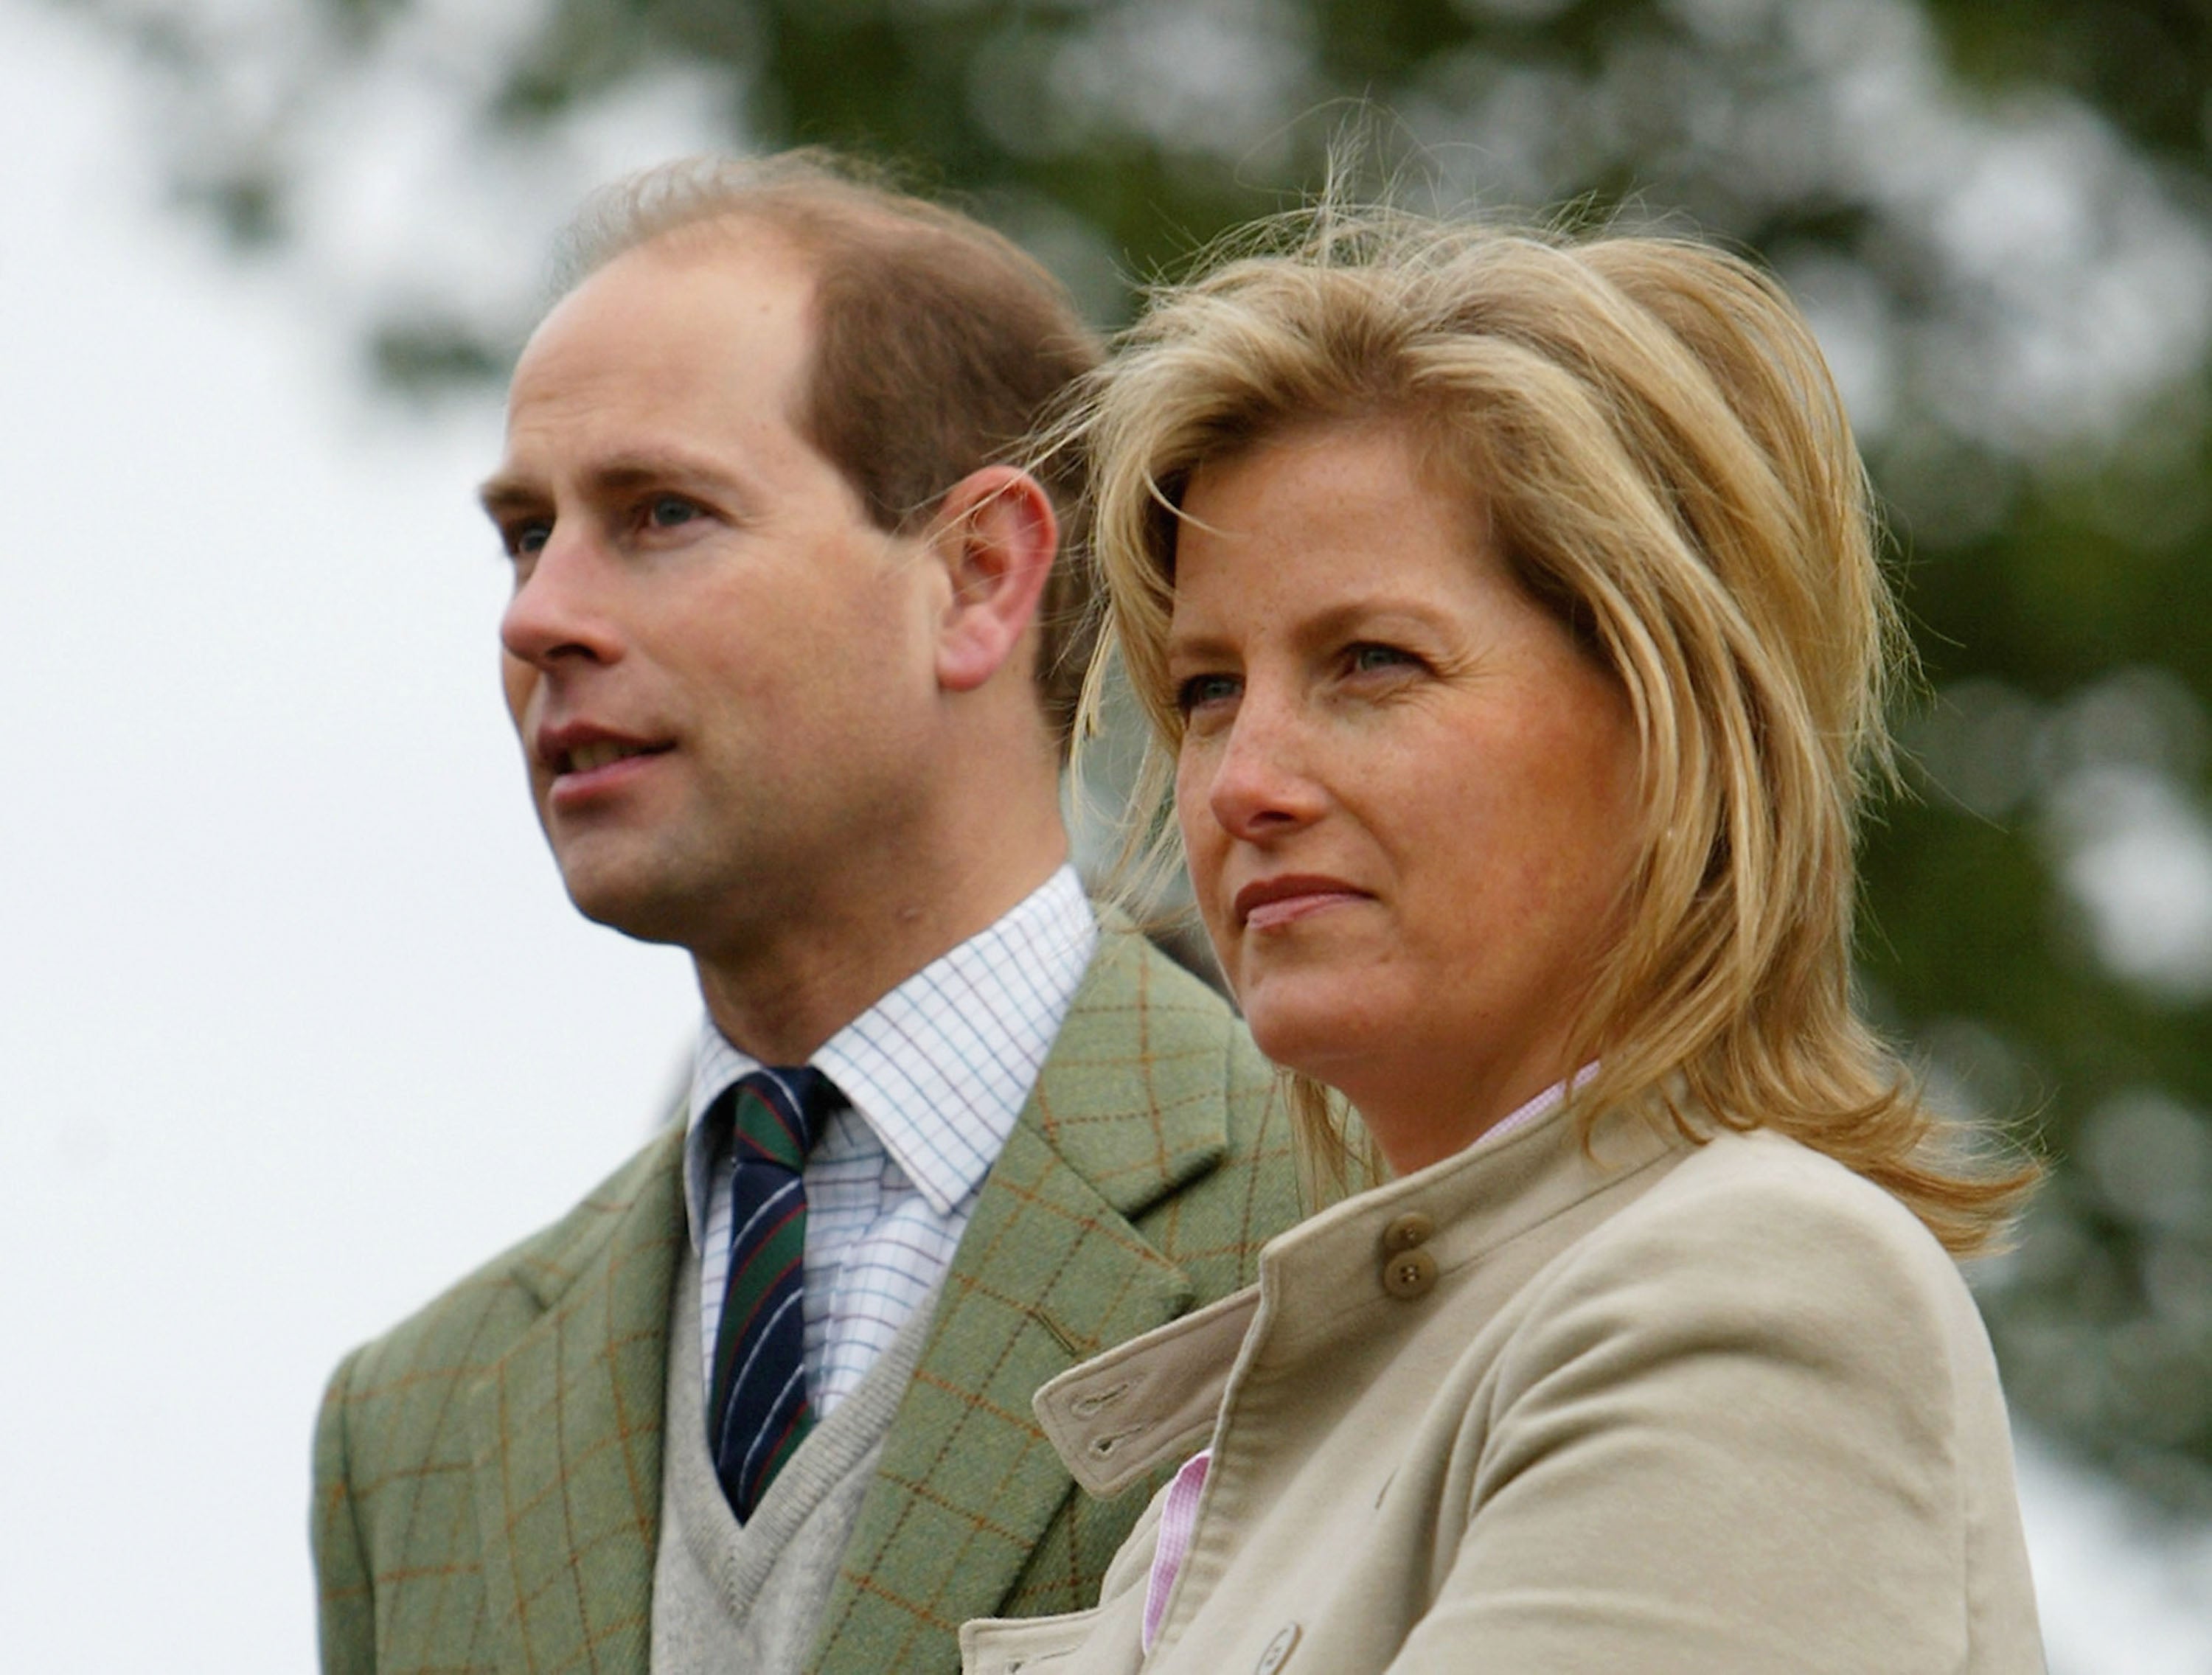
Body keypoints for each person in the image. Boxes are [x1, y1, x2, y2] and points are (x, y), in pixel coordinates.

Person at [961, 207, 2046, 1674]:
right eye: (1209, 686)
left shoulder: (1747, 1288)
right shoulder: (1303, 1425)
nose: (1241, 782)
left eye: (1372, 662)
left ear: (1671, 724)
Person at [309, 152, 1300, 1675]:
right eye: (526, 532)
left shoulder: (1353, 1222)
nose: (537, 615)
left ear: (978, 574)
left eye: (660, 513)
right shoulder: (414, 1431)